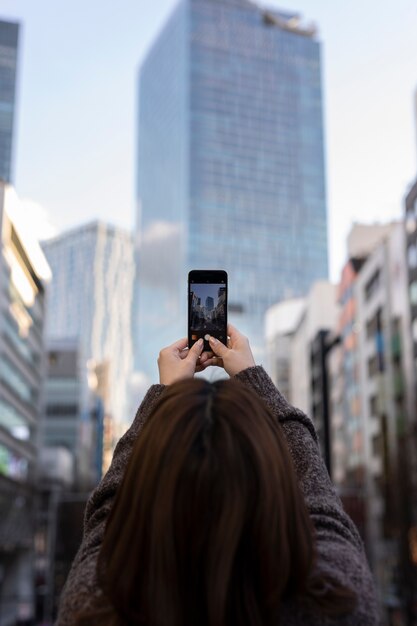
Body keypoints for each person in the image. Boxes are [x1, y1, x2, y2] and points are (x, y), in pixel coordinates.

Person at [55, 325, 380, 626]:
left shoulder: (94, 607)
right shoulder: (337, 603)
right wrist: (254, 379)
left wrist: (166, 396)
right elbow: (322, 507)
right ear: (276, 492)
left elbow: (107, 511)